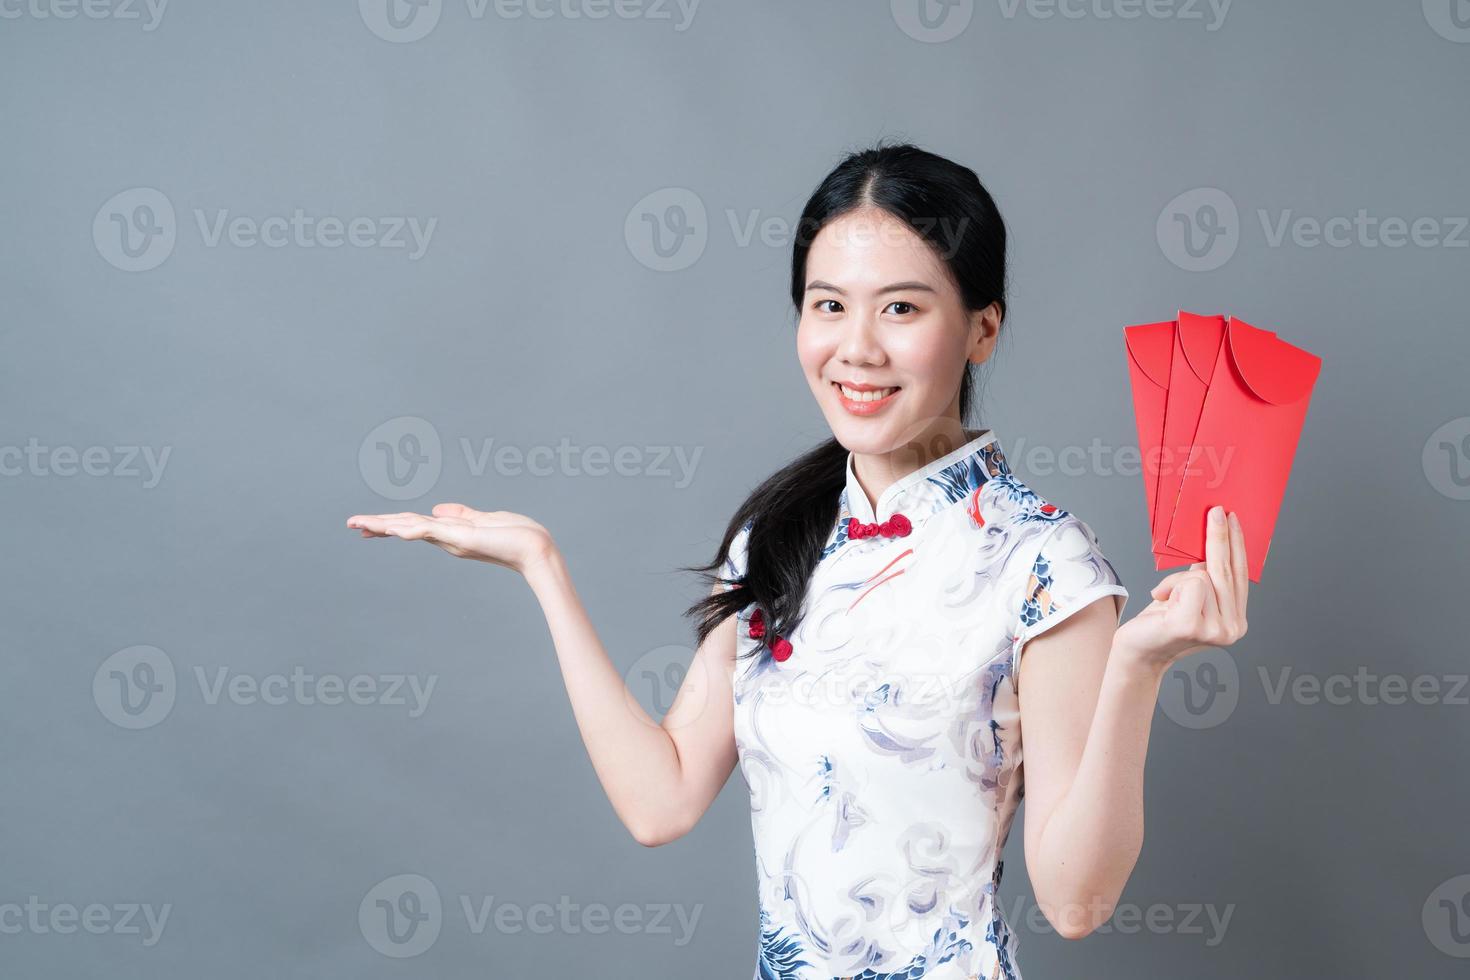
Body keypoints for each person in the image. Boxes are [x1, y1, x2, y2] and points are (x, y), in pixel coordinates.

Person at [346, 141, 1251, 980]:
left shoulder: (1043, 561)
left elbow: (1077, 901)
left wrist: (1139, 666)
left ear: (982, 329)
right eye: (829, 306)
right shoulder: (780, 535)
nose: (856, 347)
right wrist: (543, 568)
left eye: (901, 307)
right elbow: (660, 803)